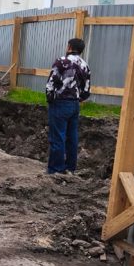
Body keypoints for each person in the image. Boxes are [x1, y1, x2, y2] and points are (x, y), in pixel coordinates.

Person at [46, 37, 91, 174]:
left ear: (69, 47)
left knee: (57, 137)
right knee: (72, 137)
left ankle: (56, 169)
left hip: (60, 102)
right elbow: (87, 89)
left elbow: (51, 82)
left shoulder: (61, 61)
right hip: (75, 104)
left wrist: (50, 99)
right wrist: (79, 98)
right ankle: (70, 168)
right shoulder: (84, 65)